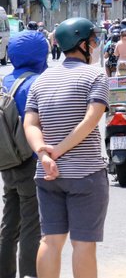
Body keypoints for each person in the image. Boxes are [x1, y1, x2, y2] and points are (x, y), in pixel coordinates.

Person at [23, 17, 109, 278]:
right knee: (82, 244)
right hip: (86, 174)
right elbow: (91, 119)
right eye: (93, 41)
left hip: (48, 175)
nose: (95, 46)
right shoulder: (96, 75)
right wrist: (58, 151)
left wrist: (44, 154)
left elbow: (30, 125)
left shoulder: (41, 80)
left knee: (50, 241)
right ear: (81, 44)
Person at [0, 32, 49, 278]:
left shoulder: (4, 81)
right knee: (32, 223)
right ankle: (30, 274)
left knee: (10, 223)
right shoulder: (39, 83)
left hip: (7, 161)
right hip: (31, 163)